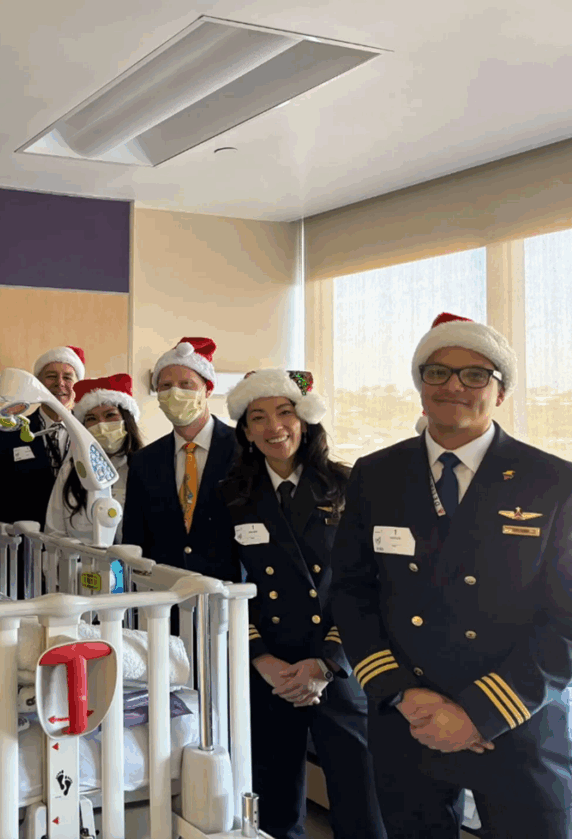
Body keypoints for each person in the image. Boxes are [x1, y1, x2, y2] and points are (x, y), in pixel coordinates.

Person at [331, 312, 572, 838]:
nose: (454, 386)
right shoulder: (376, 473)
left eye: (475, 375)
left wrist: (479, 715)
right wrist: (402, 694)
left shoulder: (552, 480)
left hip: (516, 721)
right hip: (408, 719)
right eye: (437, 372)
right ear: (420, 386)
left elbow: (565, 621)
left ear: (500, 392)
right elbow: (351, 592)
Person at [221, 369, 385, 839]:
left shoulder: (347, 485)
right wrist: (262, 658)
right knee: (275, 809)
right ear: (246, 432)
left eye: (285, 413)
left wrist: (326, 662)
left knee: (362, 806)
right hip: (270, 670)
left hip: (338, 663)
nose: (274, 427)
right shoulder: (232, 496)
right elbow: (225, 583)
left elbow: (369, 583)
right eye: (258, 417)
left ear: (305, 420)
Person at [123, 337, 242, 581]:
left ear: (207, 389)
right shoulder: (144, 461)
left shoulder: (243, 450)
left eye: (186, 384)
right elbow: (133, 541)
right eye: (166, 386)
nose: (175, 393)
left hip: (229, 592)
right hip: (163, 594)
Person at [0, 345, 85, 528]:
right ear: (38, 384)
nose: (60, 383)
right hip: (26, 539)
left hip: (78, 539)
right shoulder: (11, 431)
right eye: (51, 376)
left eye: (68, 377)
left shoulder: (88, 432)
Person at [45, 373, 144, 544]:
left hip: (132, 560)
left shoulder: (147, 466)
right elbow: (54, 530)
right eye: (91, 419)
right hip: (79, 559)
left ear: (127, 419)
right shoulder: (71, 470)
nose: (101, 424)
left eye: (110, 415)